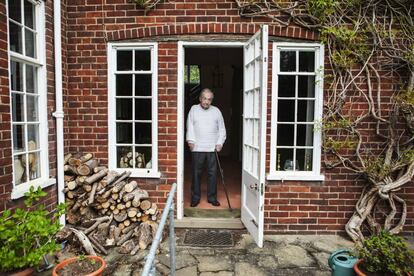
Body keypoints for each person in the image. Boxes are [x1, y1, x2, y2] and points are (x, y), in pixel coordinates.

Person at [186, 88, 226, 207]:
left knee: (212, 174)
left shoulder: (216, 111)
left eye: (209, 99)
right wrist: (190, 140)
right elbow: (190, 126)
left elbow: (222, 129)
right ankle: (195, 198)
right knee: (196, 174)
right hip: (197, 148)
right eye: (204, 98)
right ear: (200, 98)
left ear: (211, 100)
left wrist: (220, 143)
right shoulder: (194, 109)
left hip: (212, 148)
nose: (206, 102)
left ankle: (212, 198)